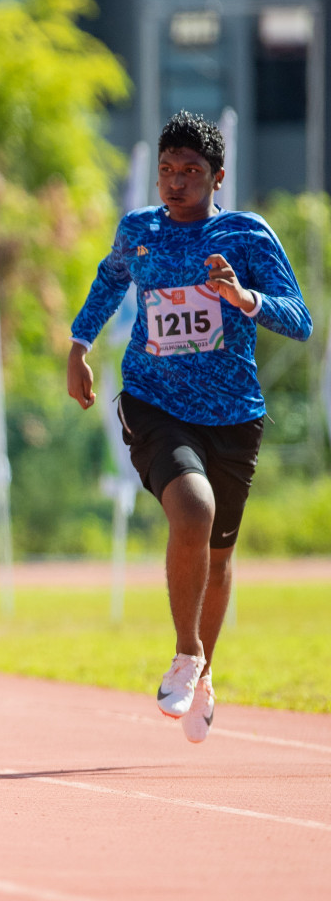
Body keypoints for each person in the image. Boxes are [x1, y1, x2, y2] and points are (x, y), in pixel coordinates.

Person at [67, 110, 310, 744]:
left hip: (233, 414)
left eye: (191, 173)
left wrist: (244, 298)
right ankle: (183, 651)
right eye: (167, 171)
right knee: (193, 511)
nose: (176, 184)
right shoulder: (139, 230)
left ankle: (203, 669)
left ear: (217, 177)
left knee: (220, 555)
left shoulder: (247, 236)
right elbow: (110, 279)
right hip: (154, 400)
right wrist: (79, 344)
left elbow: (300, 319)